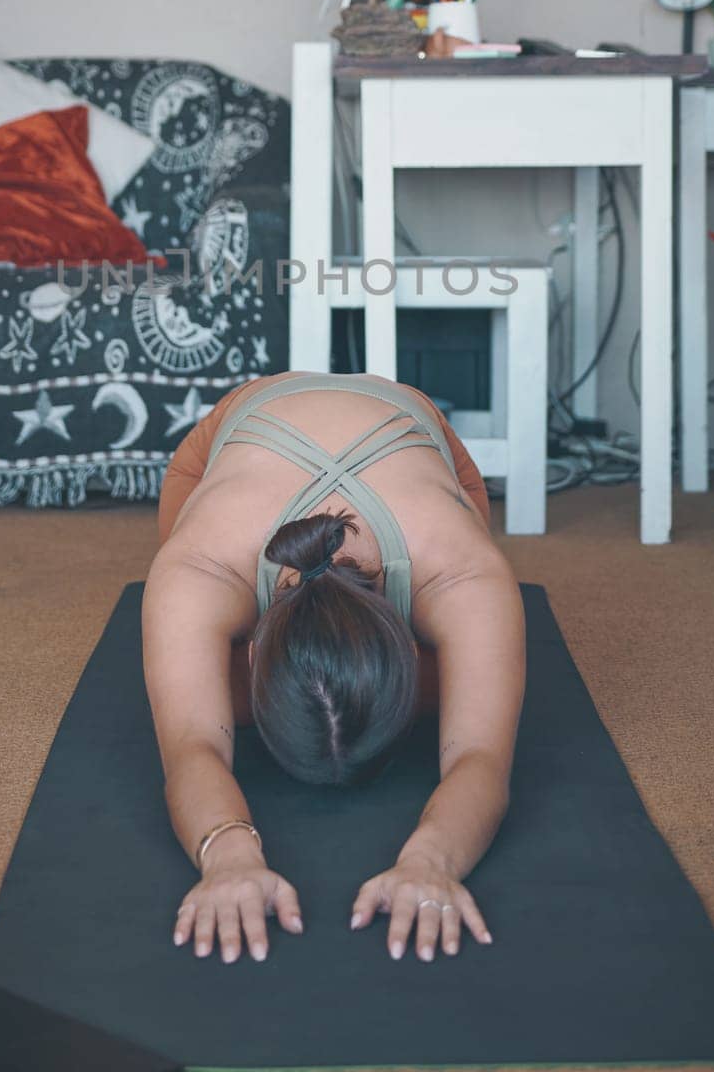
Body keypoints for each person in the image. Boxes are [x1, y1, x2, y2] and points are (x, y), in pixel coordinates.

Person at [143, 370, 525, 966]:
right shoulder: (201, 565)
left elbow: (482, 758)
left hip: (413, 433)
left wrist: (432, 859)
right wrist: (228, 858)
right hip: (239, 429)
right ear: (252, 649)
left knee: (462, 676)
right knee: (203, 682)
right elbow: (192, 746)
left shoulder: (463, 570)